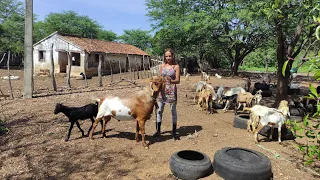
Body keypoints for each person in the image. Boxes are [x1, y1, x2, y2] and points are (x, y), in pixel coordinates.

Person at [153, 48, 180, 140]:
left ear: (172, 56)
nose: (168, 58)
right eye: (166, 56)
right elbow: (160, 78)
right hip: (162, 91)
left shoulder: (176, 67)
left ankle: (174, 132)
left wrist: (171, 80)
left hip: (172, 91)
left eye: (169, 56)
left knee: (173, 111)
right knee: (159, 110)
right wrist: (156, 84)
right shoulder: (162, 66)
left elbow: (178, 80)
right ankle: (158, 130)